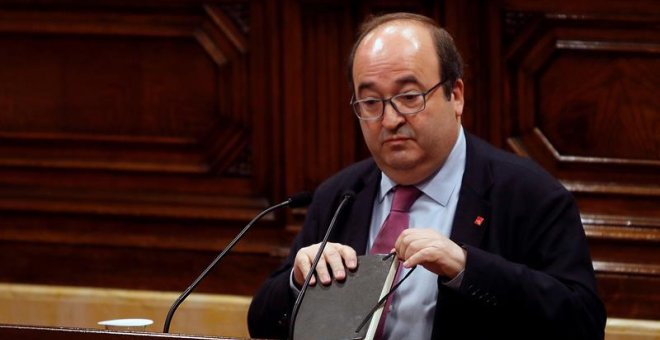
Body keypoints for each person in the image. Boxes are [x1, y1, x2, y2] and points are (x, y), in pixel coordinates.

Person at [248, 12, 606, 339]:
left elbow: (583, 322)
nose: (390, 120)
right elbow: (261, 322)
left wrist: (468, 268)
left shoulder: (528, 194)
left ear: (456, 96)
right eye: (370, 103)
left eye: (409, 96)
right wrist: (298, 281)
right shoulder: (341, 195)